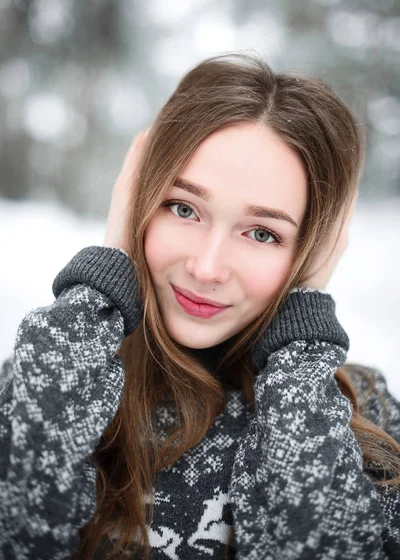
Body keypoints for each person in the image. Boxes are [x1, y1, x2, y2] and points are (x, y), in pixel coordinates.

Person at [0, 53, 399, 560]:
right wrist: (104, 278)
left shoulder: (365, 417)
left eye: (262, 233)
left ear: (315, 247)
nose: (207, 268)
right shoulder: (51, 378)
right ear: (140, 198)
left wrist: (299, 371)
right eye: (183, 207)